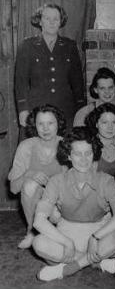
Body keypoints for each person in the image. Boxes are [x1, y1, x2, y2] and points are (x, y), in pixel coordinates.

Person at [32, 127, 115, 282]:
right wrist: (67, 242)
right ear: (69, 155)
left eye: (88, 153)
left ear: (94, 154)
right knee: (38, 243)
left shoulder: (106, 180)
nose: (83, 159)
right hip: (67, 233)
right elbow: (39, 221)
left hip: (99, 235)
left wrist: (95, 237)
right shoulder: (56, 181)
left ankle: (69, 268)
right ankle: (98, 263)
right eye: (77, 154)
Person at [15, 4, 84, 131]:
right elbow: (21, 82)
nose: (52, 23)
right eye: (47, 18)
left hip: (65, 110)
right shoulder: (27, 46)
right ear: (40, 21)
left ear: (60, 22)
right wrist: (23, 109)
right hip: (37, 109)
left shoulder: (70, 46)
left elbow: (77, 82)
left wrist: (81, 110)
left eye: (56, 19)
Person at [8, 104, 66, 249]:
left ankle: (58, 230)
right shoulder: (26, 146)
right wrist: (29, 174)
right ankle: (32, 231)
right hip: (36, 199)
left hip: (59, 198)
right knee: (29, 185)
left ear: (58, 124)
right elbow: (14, 189)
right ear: (35, 125)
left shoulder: (66, 145)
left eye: (50, 123)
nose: (45, 129)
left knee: (57, 219)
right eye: (41, 124)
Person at [74, 67, 115, 142]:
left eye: (110, 88)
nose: (107, 92)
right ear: (96, 90)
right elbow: (78, 143)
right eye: (102, 88)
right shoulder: (83, 113)